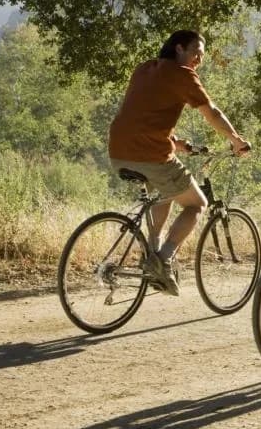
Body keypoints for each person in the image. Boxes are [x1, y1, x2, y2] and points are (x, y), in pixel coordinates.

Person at [108, 30, 251, 295]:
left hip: (118, 151)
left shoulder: (144, 68)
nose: (199, 58)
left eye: (202, 55)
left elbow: (142, 113)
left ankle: (151, 255)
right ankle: (162, 259)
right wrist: (236, 139)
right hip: (150, 154)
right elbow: (213, 113)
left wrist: (175, 142)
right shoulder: (183, 75)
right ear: (178, 48)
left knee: (164, 193)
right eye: (195, 51)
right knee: (198, 204)